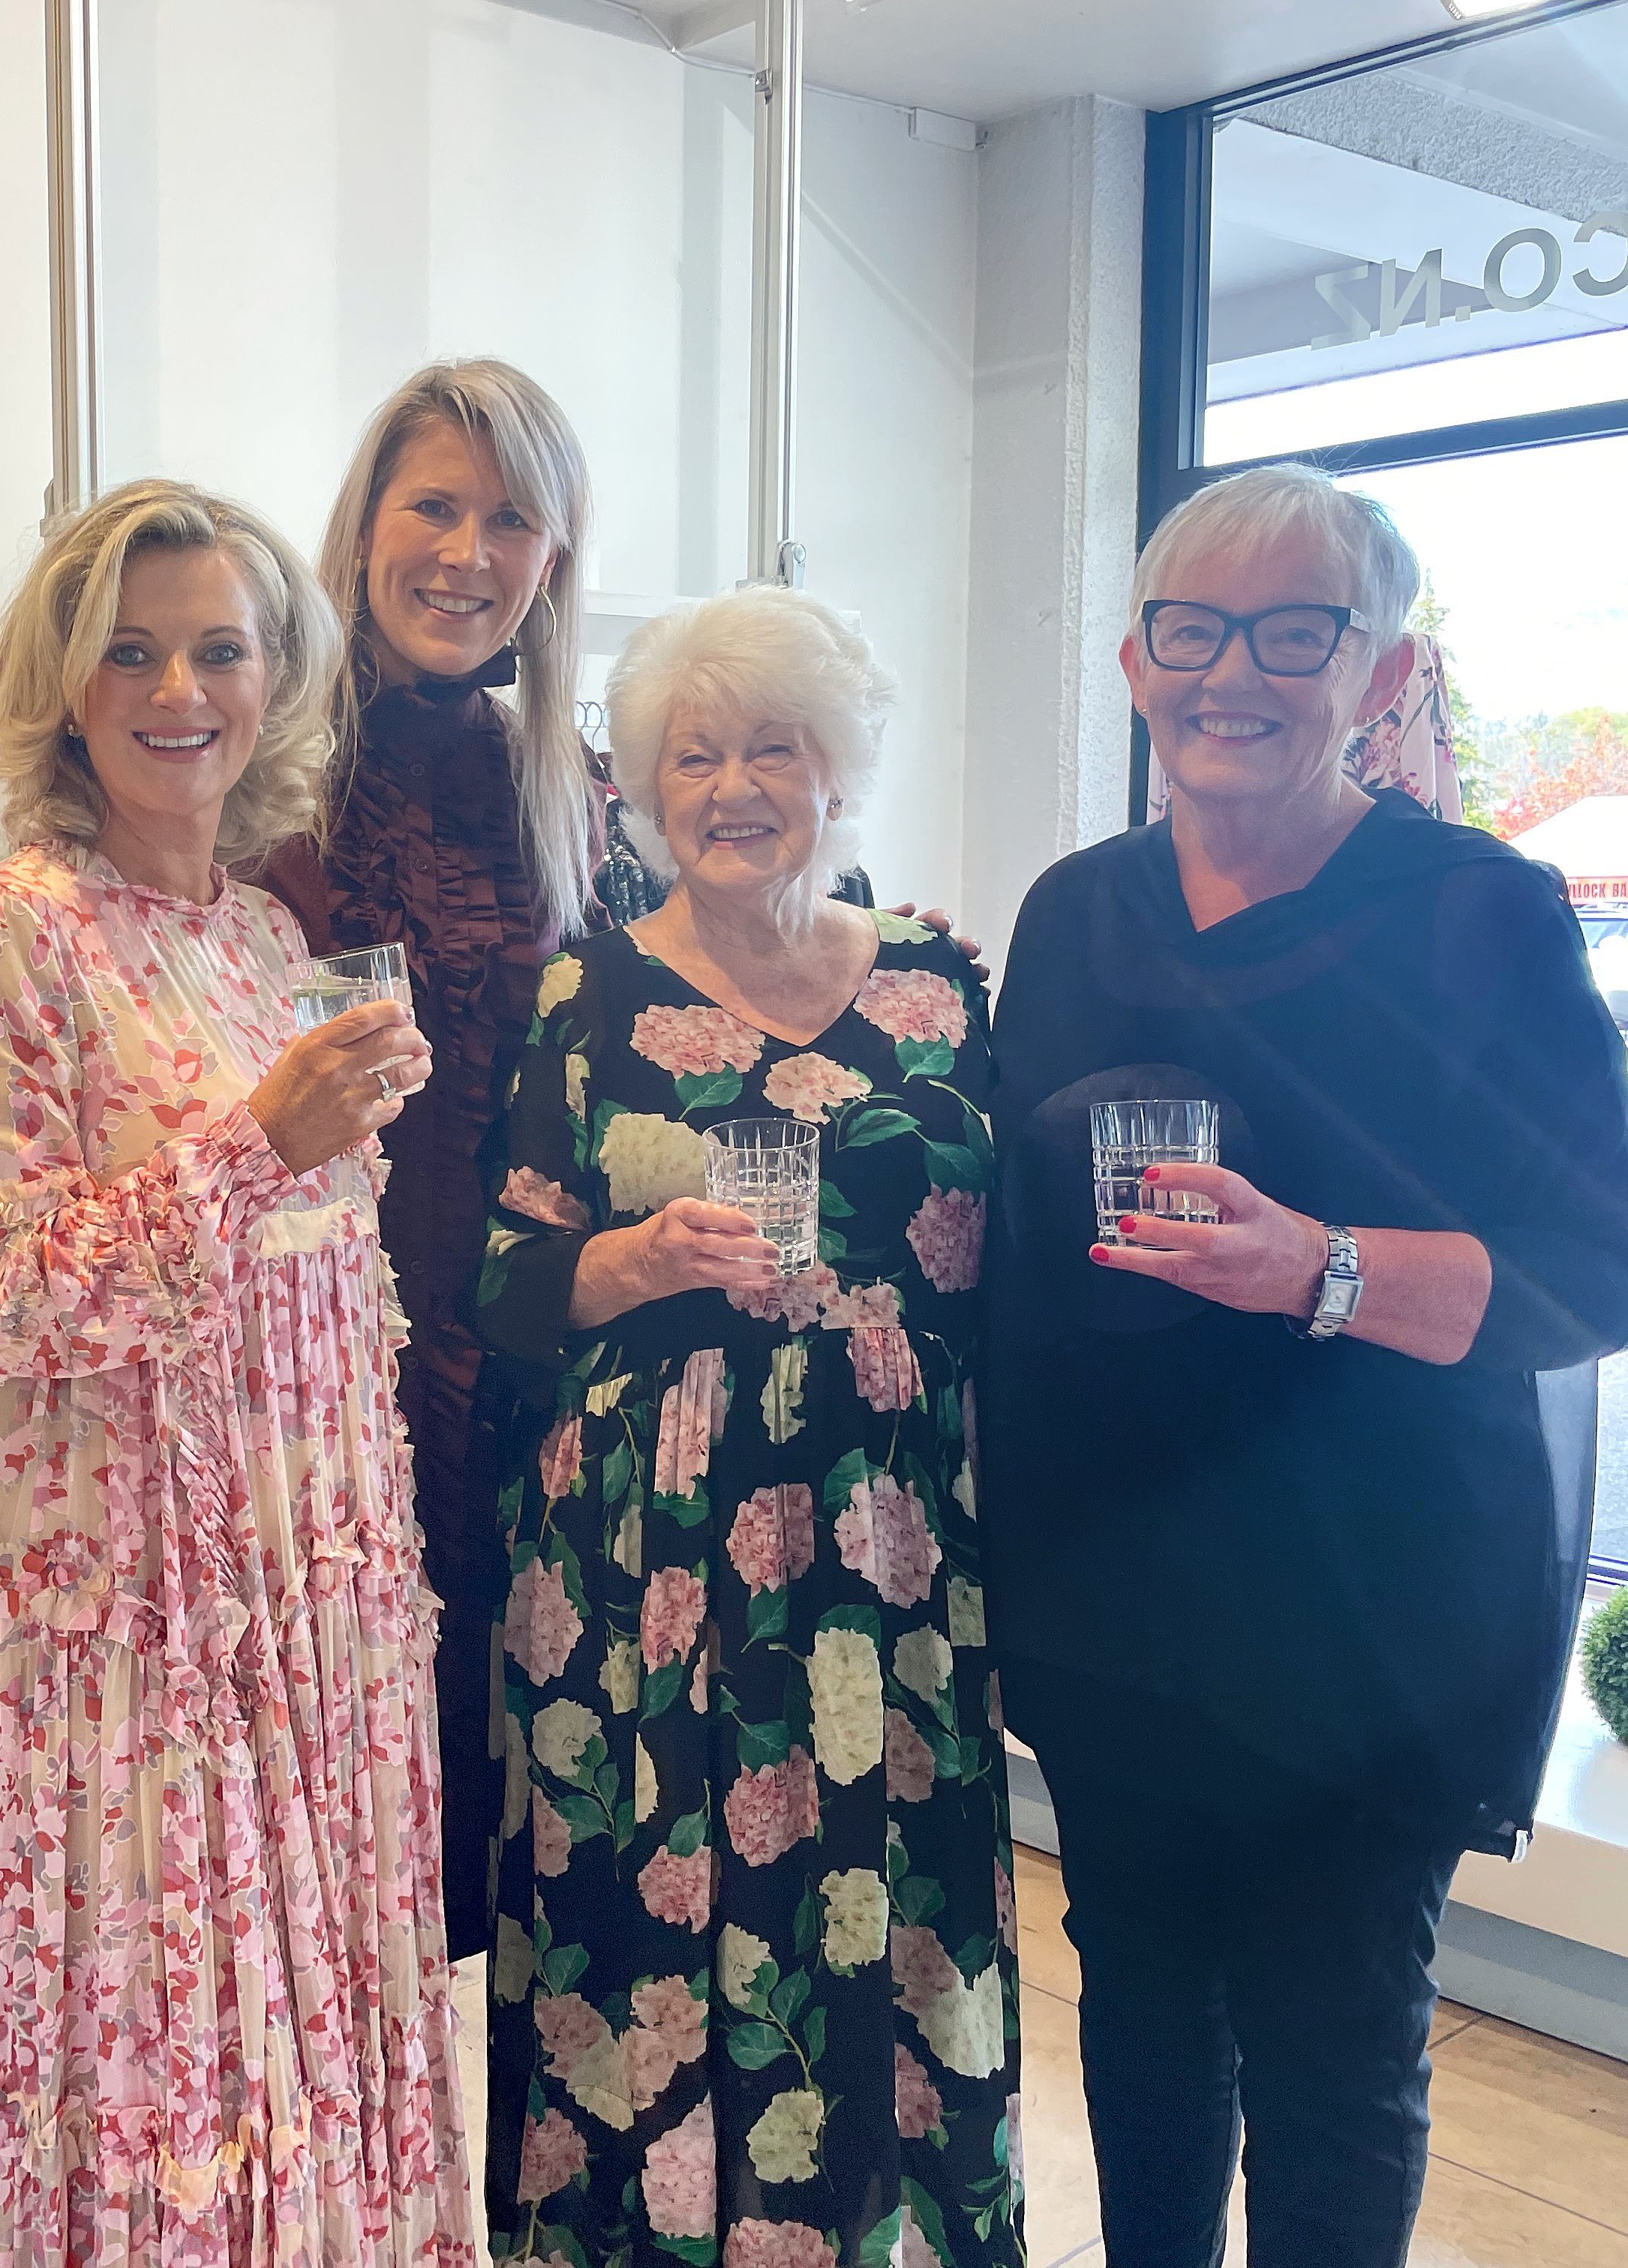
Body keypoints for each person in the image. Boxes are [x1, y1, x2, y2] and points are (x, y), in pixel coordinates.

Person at [983, 463, 1628, 2264]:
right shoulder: (1073, 911)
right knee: (1141, 2027)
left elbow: (1596, 1266)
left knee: (1338, 2059)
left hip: (1369, 1616)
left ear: (1382, 668)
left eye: (1296, 630)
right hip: (1113, 1595)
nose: (1234, 672)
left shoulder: (1478, 914)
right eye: (1194, 628)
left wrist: (1316, 1269)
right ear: (1132, 660)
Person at [0, 478, 467, 2264]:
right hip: (128, 1619)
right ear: (65, 689)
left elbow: (326, 1280)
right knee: (172, 2070)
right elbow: (2, 1292)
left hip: (314, 1602)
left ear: (276, 678)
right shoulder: (6, 934)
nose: (179, 689)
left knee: (315, 2044)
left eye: (220, 648)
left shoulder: (268, 942)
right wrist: (255, 1147)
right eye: (129, 650)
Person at [474, 586, 1020, 2261]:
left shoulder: (940, 981)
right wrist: (626, 1263)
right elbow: (500, 1278)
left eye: (770, 745)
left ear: (835, 768)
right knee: (659, 1898)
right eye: (689, 754)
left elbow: (1009, 1267)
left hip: (887, 1536)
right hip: (657, 1544)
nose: (730, 785)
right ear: (643, 785)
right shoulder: (592, 993)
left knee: (878, 1892)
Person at [246, 360, 643, 1960]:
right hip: (312, 1377)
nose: (466, 554)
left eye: (511, 519)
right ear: (363, 524)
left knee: (492, 1858)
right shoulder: (256, 758)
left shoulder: (571, 792)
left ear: (551, 562)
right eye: (435, 506)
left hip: (521, 1380)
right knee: (321, 1867)